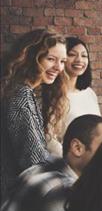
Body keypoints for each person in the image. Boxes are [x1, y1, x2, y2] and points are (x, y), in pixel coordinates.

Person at [0, 29, 68, 200]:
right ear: (31, 57)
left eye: (62, 61)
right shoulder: (20, 95)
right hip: (12, 197)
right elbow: (33, 161)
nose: (58, 67)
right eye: (51, 59)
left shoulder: (21, 90)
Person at [62, 36, 101, 131]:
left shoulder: (89, 93)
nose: (79, 60)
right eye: (72, 54)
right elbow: (49, 138)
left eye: (84, 56)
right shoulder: (52, 94)